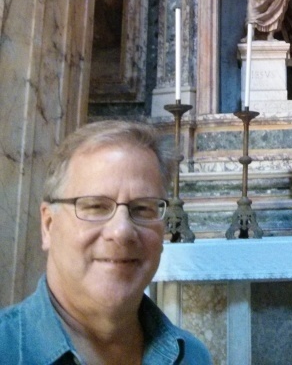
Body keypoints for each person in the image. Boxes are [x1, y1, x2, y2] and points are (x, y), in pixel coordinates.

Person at [0, 120, 212, 365]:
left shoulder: (192, 357)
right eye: (96, 206)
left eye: (142, 208)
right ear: (48, 225)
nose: (121, 231)